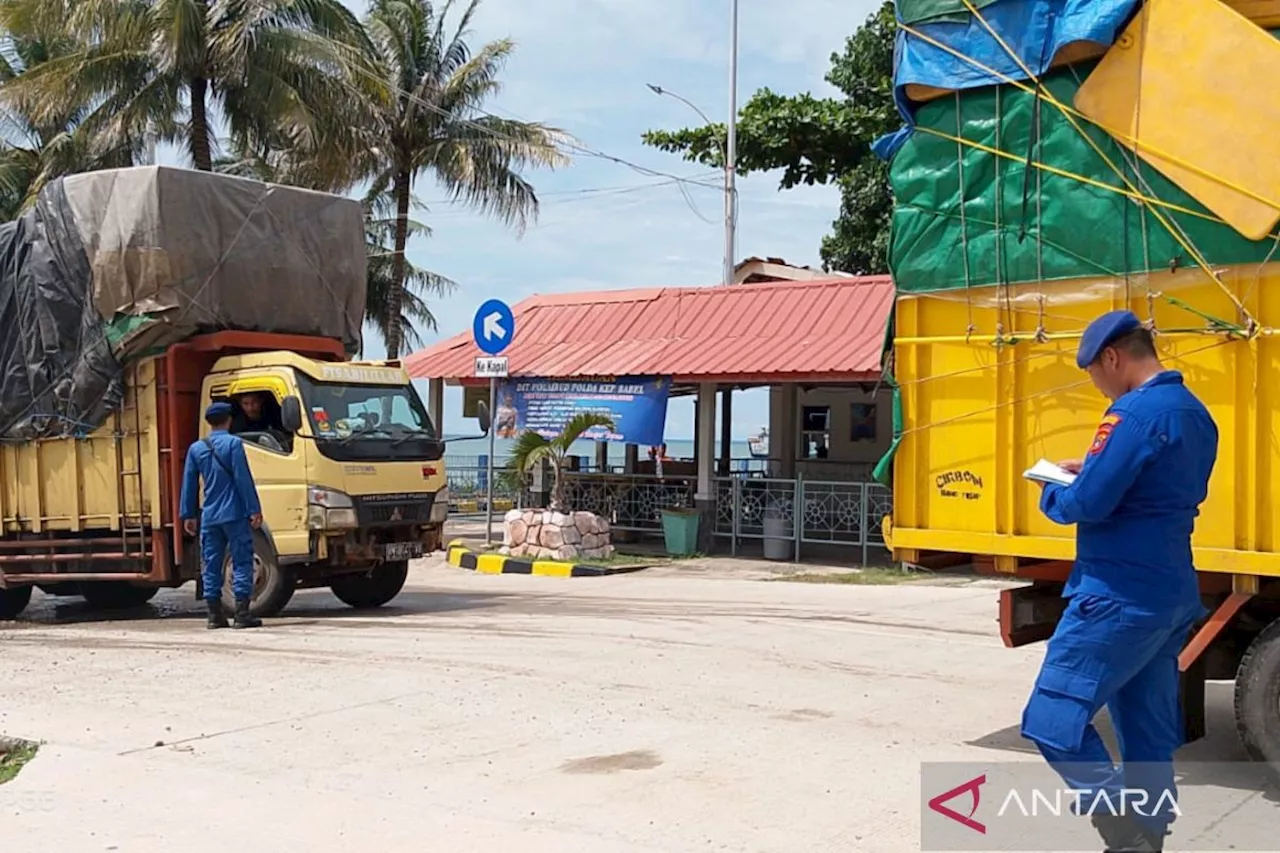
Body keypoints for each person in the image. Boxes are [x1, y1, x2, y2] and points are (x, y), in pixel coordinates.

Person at [1023, 310, 1217, 852]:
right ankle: (1150, 836)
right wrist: (1093, 470)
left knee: (1051, 719)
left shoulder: (1129, 415)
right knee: (1146, 730)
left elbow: (1088, 504)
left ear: (1112, 357)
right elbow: (1155, 491)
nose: (1097, 384)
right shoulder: (1194, 413)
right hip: (1171, 593)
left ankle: (1121, 828)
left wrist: (1054, 487)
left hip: (1116, 597)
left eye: (1093, 373)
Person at [179, 401, 266, 630]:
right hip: (234, 514)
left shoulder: (196, 449)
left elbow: (189, 484)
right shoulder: (234, 444)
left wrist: (188, 514)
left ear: (209, 422)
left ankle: (214, 615)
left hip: (209, 516)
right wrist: (254, 509)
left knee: (211, 563)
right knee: (242, 561)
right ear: (229, 420)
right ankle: (241, 614)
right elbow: (242, 479)